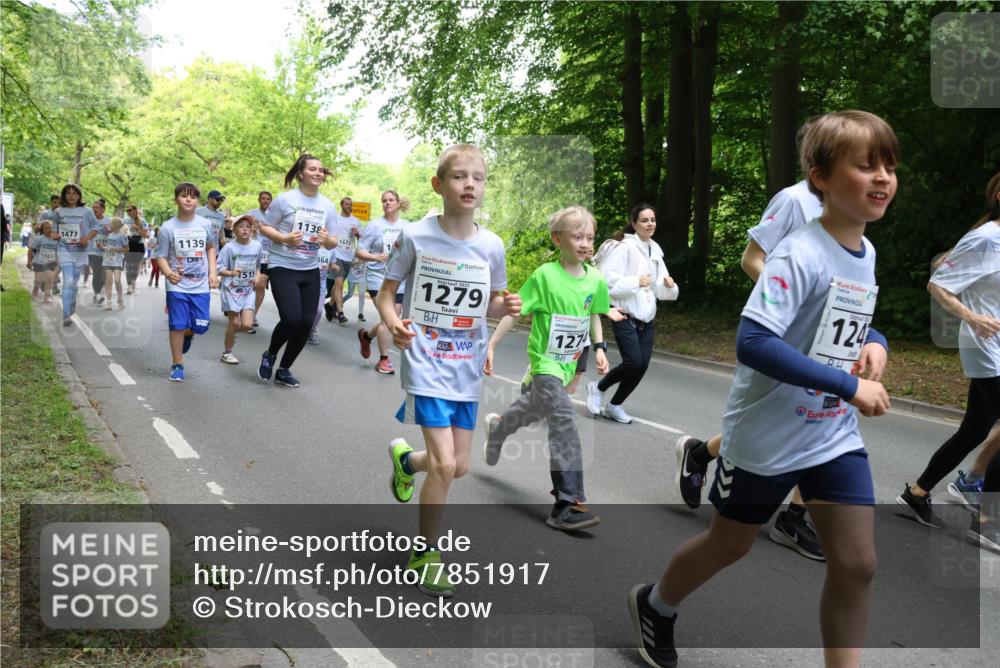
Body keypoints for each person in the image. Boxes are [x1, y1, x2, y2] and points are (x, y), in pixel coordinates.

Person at [629, 110, 897, 668]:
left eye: (889, 167)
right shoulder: (796, 253)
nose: (883, 178)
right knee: (729, 544)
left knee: (858, 563)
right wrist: (848, 384)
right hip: (766, 436)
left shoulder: (866, 252)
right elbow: (753, 343)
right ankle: (656, 604)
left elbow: (850, 315)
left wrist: (875, 341)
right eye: (866, 166)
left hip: (831, 433)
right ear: (821, 177)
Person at [674, 126, 831, 562]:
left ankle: (793, 517)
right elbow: (752, 259)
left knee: (817, 422)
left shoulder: (847, 211)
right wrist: (790, 301)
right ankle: (700, 454)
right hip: (784, 332)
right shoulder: (793, 200)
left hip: (825, 340)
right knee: (770, 420)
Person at [381, 144, 520, 597]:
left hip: (466, 366)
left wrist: (507, 306)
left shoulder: (492, 245)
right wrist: (394, 324)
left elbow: (491, 302)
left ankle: (406, 462)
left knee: (457, 467)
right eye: (459, 176)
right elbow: (386, 294)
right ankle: (425, 555)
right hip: (425, 362)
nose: (469, 184)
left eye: (477, 177)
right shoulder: (415, 236)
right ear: (438, 185)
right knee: (443, 465)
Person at [483, 205, 611, 531]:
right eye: (577, 237)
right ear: (557, 239)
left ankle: (498, 428)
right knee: (563, 418)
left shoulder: (595, 279)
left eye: (590, 238)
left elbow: (593, 315)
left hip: (568, 364)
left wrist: (599, 348)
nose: (585, 244)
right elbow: (515, 310)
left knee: (532, 408)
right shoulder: (545, 276)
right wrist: (492, 344)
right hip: (544, 364)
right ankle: (567, 503)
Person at [897, 171, 1000, 528]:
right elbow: (938, 284)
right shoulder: (985, 239)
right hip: (984, 345)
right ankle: (987, 521)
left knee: (974, 431)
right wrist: (971, 316)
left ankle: (918, 493)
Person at [587, 203, 678, 424]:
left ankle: (615, 405)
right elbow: (607, 284)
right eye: (644, 220)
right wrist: (636, 281)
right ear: (634, 224)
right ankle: (598, 388)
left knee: (642, 365)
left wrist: (669, 285)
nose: (650, 224)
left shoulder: (655, 250)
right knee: (633, 361)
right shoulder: (624, 248)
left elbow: (660, 290)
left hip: (646, 318)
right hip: (624, 314)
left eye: (653, 220)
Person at [257, 154, 339, 387]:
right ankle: (271, 353)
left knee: (306, 322)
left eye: (321, 170)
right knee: (292, 319)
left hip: (310, 268)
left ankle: (284, 369)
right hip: (283, 265)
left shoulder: (327, 206)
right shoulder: (285, 200)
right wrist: (285, 238)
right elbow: (264, 227)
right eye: (312, 169)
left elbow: (333, 241)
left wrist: (326, 240)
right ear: (301, 173)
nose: (318, 173)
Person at [155, 182, 219, 382]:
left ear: (197, 201)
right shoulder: (167, 227)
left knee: (200, 325)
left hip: (200, 284)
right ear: (176, 199)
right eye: (184, 195)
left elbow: (210, 247)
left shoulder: (205, 224)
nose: (188, 199)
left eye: (193, 196)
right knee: (177, 325)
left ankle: (189, 334)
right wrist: (168, 273)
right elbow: (161, 256)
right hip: (177, 284)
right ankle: (177, 364)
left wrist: (213, 272)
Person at [357, 190, 410, 374]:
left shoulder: (407, 227)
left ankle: (366, 336)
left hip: (399, 280)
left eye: (391, 200)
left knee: (390, 319)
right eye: (384, 201)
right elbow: (359, 251)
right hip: (377, 277)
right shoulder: (374, 226)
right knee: (387, 319)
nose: (387, 203)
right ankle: (384, 359)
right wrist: (376, 257)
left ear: (398, 202)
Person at [217, 215, 263, 365]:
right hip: (231, 289)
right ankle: (227, 352)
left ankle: (231, 333)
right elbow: (219, 268)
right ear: (235, 229)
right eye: (241, 226)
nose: (245, 229)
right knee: (235, 322)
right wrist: (231, 272)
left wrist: (257, 277)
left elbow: (258, 266)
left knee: (247, 325)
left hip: (248, 289)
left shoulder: (257, 246)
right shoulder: (229, 247)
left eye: (248, 227)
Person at [51, 185, 99, 326]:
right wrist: (55, 235)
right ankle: (66, 314)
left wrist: (87, 239)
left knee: (74, 282)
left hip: (80, 250)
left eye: (74, 193)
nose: (71, 196)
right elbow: (53, 230)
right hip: (64, 249)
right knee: (68, 280)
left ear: (79, 196)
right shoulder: (59, 211)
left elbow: (96, 228)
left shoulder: (87, 211)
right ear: (64, 196)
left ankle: (71, 301)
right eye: (68, 193)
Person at [326, 196, 362, 324]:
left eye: (350, 204)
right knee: (340, 285)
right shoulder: (335, 218)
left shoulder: (356, 221)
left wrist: (357, 234)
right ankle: (340, 312)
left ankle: (330, 305)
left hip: (348, 257)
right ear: (342, 205)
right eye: (347, 204)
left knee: (337, 285)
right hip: (336, 255)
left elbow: (362, 239)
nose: (349, 206)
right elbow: (328, 233)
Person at [248, 191, 273, 332]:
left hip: (268, 255)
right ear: (259, 200)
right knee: (249, 285)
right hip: (252, 254)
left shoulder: (275, 217)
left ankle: (252, 315)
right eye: (263, 198)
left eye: (268, 199)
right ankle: (243, 310)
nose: (265, 201)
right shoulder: (251, 214)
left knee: (260, 285)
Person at [99, 218, 128, 310]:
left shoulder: (123, 236)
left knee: (117, 280)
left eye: (111, 224)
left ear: (116, 225)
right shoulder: (110, 235)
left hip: (117, 261)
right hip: (107, 260)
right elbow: (108, 248)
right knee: (108, 281)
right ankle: (109, 302)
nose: (109, 226)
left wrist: (115, 249)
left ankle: (120, 300)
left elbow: (126, 249)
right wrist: (101, 247)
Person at [309, 246, 335, 344]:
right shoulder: (312, 245)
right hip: (307, 284)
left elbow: (332, 265)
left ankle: (311, 331)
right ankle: (303, 330)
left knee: (319, 311)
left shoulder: (331, 250)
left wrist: (335, 267)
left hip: (321, 286)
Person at [28, 221, 58, 302]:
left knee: (50, 279)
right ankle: (35, 292)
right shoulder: (39, 239)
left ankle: (47, 296)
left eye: (50, 228)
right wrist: (29, 261)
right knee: (38, 280)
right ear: (42, 230)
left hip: (50, 263)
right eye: (46, 228)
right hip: (39, 262)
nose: (48, 230)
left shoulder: (55, 239)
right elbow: (31, 249)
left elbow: (57, 251)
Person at [88, 200, 110, 304]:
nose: (94, 209)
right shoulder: (90, 221)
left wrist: (109, 229)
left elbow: (115, 233)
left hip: (104, 251)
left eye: (97, 207)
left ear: (103, 209)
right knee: (96, 272)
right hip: (92, 251)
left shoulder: (108, 221)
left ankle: (98, 292)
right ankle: (97, 293)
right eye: (93, 208)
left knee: (103, 273)